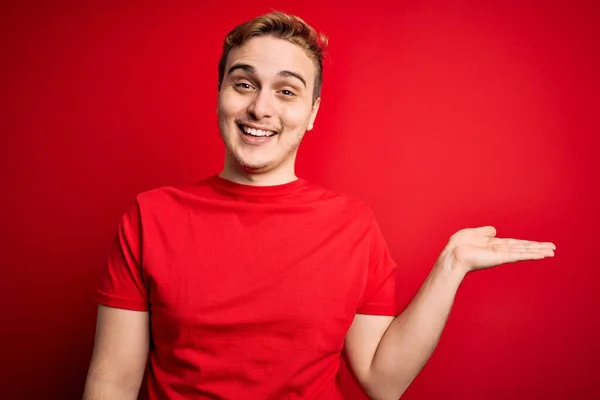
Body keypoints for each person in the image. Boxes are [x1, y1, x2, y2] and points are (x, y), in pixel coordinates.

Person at [82, 11, 556, 400]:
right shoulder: (151, 216)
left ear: (311, 114)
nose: (261, 108)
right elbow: (113, 382)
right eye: (244, 83)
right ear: (221, 94)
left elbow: (383, 380)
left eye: (287, 91)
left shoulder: (352, 226)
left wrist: (450, 266)